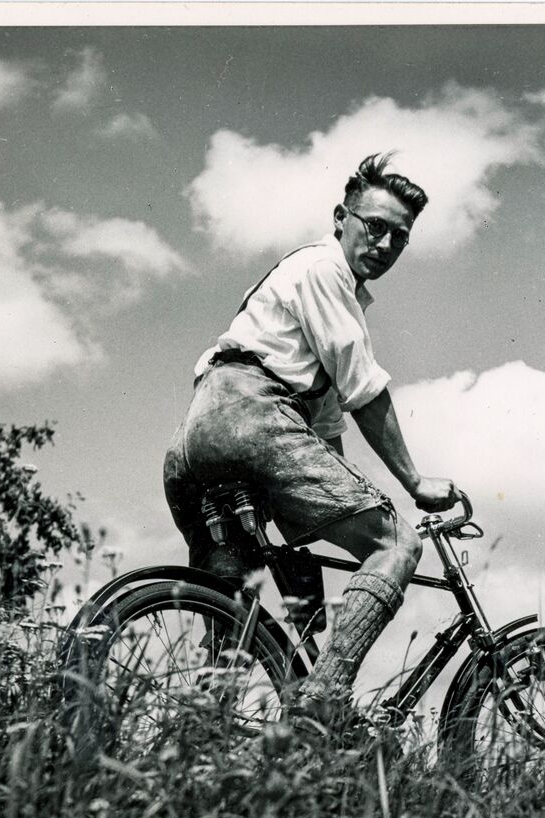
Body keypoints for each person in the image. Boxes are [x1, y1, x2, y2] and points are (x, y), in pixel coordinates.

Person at [163, 152, 459, 719]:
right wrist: (414, 484)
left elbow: (325, 437)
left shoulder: (298, 286)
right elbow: (364, 389)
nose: (386, 244)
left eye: (400, 237)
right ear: (341, 218)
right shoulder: (325, 270)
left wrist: (339, 511)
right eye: (375, 226)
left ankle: (200, 736)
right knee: (397, 544)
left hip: (197, 439)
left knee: (232, 615)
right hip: (253, 416)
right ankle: (319, 711)